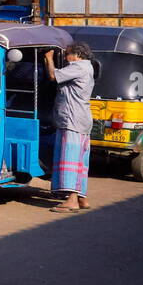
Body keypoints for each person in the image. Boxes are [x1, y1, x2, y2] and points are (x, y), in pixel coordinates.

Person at [44, 42, 96, 212]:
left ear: (77, 55)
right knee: (80, 160)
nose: (65, 58)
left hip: (72, 120)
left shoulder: (78, 67)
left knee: (70, 158)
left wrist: (49, 58)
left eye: (67, 54)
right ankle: (82, 197)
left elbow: (53, 76)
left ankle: (72, 200)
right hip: (81, 119)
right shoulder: (87, 67)